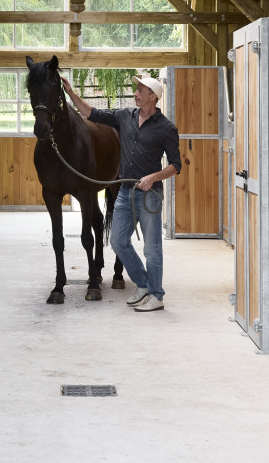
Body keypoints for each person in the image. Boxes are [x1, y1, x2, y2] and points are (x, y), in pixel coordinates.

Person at [61, 73, 180, 311]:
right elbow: (91, 113)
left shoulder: (167, 128)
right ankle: (144, 285)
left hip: (149, 195)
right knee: (117, 241)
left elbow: (175, 166)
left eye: (140, 91)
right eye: (136, 91)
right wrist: (70, 93)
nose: (135, 94)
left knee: (152, 249)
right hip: (125, 192)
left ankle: (156, 296)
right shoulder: (125, 117)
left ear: (153, 97)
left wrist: (153, 177)